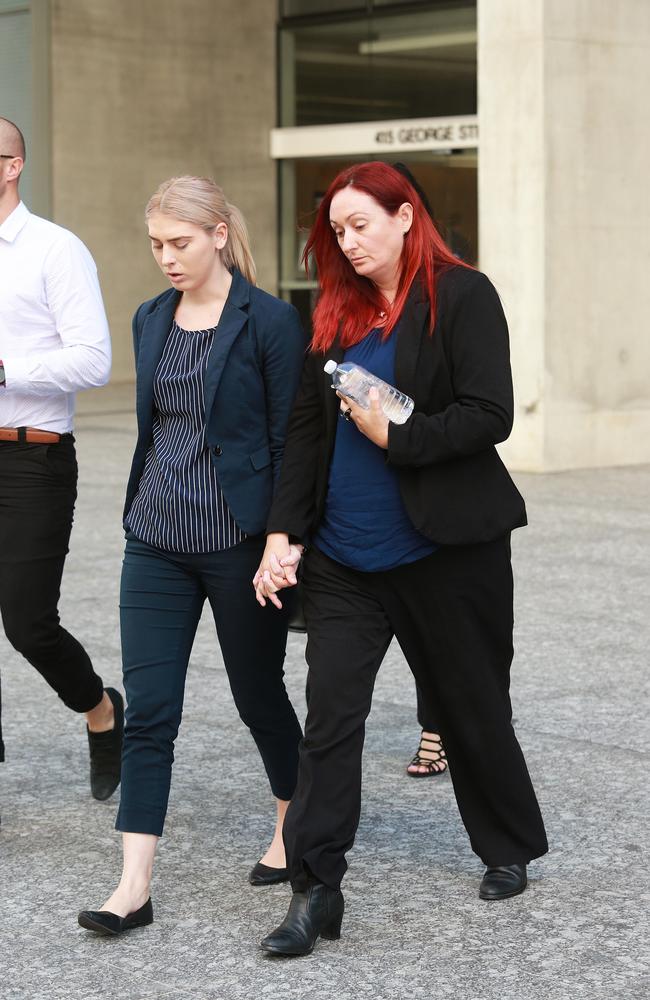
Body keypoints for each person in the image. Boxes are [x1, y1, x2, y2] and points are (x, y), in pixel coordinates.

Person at [254, 161, 548, 957]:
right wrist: (285, 533)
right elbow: (307, 435)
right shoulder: (336, 313)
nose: (347, 243)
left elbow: (491, 415)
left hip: (444, 550)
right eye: (337, 231)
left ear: (406, 216)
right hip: (347, 558)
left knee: (471, 704)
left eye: (361, 225)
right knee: (330, 721)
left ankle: (508, 844)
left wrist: (400, 437)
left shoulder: (461, 296)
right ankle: (316, 892)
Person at [78, 175, 305, 936]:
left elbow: (285, 441)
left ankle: (291, 820)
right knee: (152, 714)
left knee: (257, 695)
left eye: (179, 243)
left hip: (240, 544)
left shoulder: (270, 321)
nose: (166, 258)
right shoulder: (151, 317)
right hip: (156, 541)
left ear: (217, 234)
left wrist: (281, 537)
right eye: (156, 245)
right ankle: (132, 886)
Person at [0, 117, 121, 801]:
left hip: (32, 459)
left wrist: (4, 370)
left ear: (13, 165)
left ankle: (101, 711)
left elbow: (93, 359)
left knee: (27, 623)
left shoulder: (55, 250)